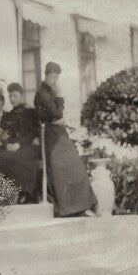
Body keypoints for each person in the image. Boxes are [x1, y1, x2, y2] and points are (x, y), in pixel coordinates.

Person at [34, 62, 97, 217]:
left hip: (58, 133)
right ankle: (67, 209)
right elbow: (56, 114)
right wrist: (60, 97)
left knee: (77, 166)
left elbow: (58, 116)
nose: (55, 80)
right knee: (62, 169)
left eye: (57, 77)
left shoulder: (50, 91)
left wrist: (59, 115)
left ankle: (81, 206)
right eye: (53, 76)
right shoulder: (41, 93)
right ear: (46, 75)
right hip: (50, 136)